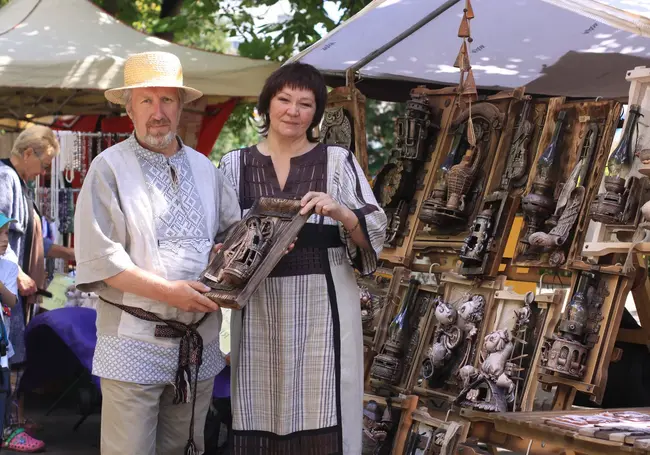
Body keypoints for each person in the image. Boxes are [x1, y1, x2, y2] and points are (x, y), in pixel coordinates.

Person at [73, 51, 241, 455]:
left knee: (186, 449)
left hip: (196, 345)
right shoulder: (108, 168)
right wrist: (171, 293)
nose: (157, 112)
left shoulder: (205, 169)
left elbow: (233, 235)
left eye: (167, 100)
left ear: (182, 106)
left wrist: (250, 247)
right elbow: (103, 260)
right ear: (129, 107)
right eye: (146, 100)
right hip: (132, 341)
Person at [219, 62, 387, 454]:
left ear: (316, 113)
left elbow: (374, 235)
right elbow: (220, 239)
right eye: (284, 99)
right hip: (259, 301)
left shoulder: (336, 161)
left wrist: (342, 212)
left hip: (323, 301)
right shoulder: (234, 164)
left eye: (305, 103)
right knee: (258, 400)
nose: (293, 111)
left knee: (323, 398)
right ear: (266, 105)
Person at [0, 125, 74, 452]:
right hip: (6, 292)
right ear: (28, 153)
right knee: (9, 359)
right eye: (44, 165)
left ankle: (12, 419)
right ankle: (7, 428)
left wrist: (66, 252)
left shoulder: (19, 183)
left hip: (14, 293)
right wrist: (16, 273)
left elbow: (31, 239)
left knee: (17, 356)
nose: (44, 172)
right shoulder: (5, 180)